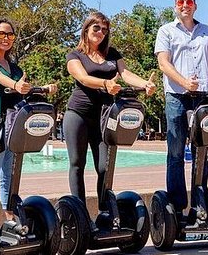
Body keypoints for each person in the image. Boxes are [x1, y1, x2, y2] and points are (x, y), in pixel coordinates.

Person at [64, 11, 156, 218]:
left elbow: (125, 74)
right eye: (96, 28)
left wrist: (145, 84)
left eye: (104, 29)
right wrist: (105, 83)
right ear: (86, 29)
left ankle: (105, 212)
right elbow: (83, 77)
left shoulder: (112, 54)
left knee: (105, 166)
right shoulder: (74, 55)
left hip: (105, 117)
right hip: (78, 114)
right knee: (77, 164)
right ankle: (80, 215)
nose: (100, 32)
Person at [0, 17, 57, 233]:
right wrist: (15, 84)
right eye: (1, 34)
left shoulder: (15, 68)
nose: (6, 38)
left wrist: (45, 88)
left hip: (13, 127)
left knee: (9, 177)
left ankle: (10, 219)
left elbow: (25, 89)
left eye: (10, 35)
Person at [154, 0, 208, 216]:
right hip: (177, 96)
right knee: (176, 152)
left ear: (195, 6)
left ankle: (200, 203)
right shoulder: (166, 31)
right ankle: (178, 207)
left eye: (189, 2)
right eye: (181, 2)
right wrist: (184, 82)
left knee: (202, 152)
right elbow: (163, 64)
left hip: (202, 98)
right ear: (175, 6)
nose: (185, 5)